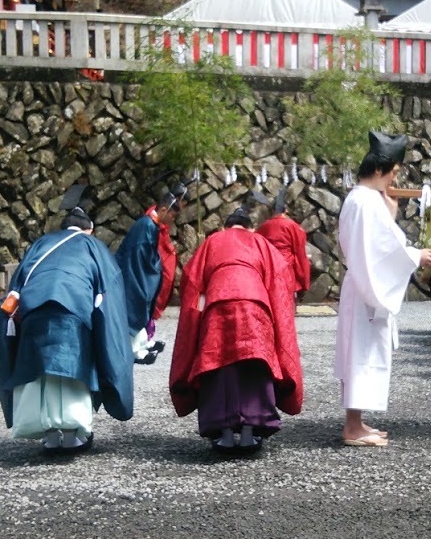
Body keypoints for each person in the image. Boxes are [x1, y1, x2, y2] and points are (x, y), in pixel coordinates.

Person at [334, 130, 431, 447]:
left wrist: (392, 216)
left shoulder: (360, 199)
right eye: (394, 171)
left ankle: (355, 421)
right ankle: (352, 428)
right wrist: (417, 255)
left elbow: (378, 245)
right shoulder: (366, 202)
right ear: (380, 169)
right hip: (365, 287)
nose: (395, 179)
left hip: (361, 285)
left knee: (361, 353)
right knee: (362, 353)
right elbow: (382, 250)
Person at [0, 207, 134, 454]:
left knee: (41, 373)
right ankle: (72, 437)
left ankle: (49, 437)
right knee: (72, 371)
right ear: (88, 229)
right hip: (74, 311)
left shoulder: (41, 244)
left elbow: (18, 283)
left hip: (34, 311)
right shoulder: (93, 246)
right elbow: (111, 289)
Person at [169, 205, 303, 454]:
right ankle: (250, 433)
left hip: (217, 306)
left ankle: (226, 434)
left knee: (219, 366)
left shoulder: (212, 241)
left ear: (225, 227)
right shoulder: (259, 242)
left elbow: (192, 277)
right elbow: (279, 278)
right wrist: (276, 317)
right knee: (254, 366)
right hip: (255, 306)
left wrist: (197, 313)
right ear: (250, 227)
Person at [114, 184, 184, 365]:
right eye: (172, 215)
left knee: (142, 308)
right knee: (135, 307)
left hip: (139, 272)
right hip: (134, 275)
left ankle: (140, 345)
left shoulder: (149, 225)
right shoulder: (146, 226)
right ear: (163, 209)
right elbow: (137, 257)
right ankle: (133, 351)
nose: (172, 220)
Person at [255, 187, 311, 296]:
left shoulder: (263, 227)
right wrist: (304, 279)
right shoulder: (293, 226)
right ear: (285, 211)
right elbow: (300, 253)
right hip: (287, 269)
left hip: (268, 269)